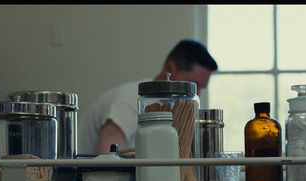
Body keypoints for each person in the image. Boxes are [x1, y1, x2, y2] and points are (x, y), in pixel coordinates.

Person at [78, 39, 218, 155]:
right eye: (193, 84)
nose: (196, 93)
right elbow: (108, 158)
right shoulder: (130, 99)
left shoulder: (170, 105)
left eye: (201, 88)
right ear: (169, 69)